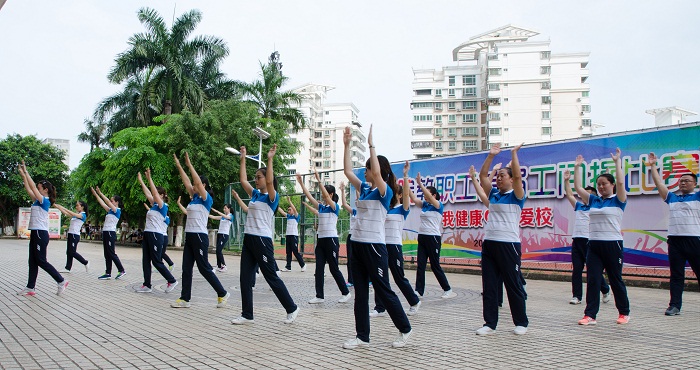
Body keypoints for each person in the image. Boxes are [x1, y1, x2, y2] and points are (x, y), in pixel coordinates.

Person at [342, 125, 412, 349]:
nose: (364, 171)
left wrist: (372, 145)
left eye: (368, 168)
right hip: (358, 245)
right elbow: (347, 172)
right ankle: (362, 336)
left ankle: (405, 329)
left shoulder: (385, 193)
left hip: (375, 247)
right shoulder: (363, 188)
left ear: (377, 170)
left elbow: (380, 175)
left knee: (383, 290)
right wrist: (346, 145)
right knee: (360, 293)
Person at [230, 144, 299, 325]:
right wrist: (243, 157)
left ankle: (291, 307)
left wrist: (269, 159)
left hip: (262, 240)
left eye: (258, 177)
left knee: (271, 277)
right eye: (256, 178)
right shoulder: (254, 195)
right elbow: (243, 180)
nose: (256, 180)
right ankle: (247, 314)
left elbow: (269, 182)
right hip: (249, 239)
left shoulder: (272, 197)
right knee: (245, 278)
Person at [475, 143, 528, 336]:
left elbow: (519, 176)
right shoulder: (494, 195)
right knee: (489, 286)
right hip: (490, 244)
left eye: (502, 176)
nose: (498, 179)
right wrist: (490, 156)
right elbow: (482, 177)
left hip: (509, 245)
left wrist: (513, 153)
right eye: (497, 177)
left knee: (512, 284)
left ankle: (521, 322)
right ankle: (490, 323)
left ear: (512, 179)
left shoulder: (516, 196)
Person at [574, 148, 631, 325]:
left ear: (611, 185)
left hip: (612, 244)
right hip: (594, 246)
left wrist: (617, 163)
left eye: (604, 183)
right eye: (599, 184)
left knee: (615, 279)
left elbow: (621, 184)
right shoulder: (594, 200)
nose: (601, 186)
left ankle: (624, 312)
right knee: (593, 280)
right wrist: (577, 168)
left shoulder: (618, 199)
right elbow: (577, 188)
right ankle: (590, 315)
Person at [170, 152, 229, 308]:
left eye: (197, 185)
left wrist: (189, 165)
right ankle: (185, 299)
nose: (194, 187)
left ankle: (222, 293)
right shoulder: (194, 198)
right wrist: (179, 165)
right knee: (186, 269)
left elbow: (194, 180)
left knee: (204, 268)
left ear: (203, 186)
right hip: (190, 237)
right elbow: (187, 181)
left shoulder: (206, 199)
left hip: (199, 237)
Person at [646, 152, 700, 316]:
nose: (683, 183)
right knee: (676, 275)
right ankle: (674, 306)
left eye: (687, 181)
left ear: (695, 183)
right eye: (681, 181)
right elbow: (659, 184)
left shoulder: (698, 196)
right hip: (675, 241)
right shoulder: (673, 198)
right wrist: (653, 166)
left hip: (694, 241)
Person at [371, 161, 422, 317]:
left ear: (399, 195)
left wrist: (405, 176)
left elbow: (407, 195)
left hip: (394, 246)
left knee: (399, 277)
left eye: (397, 193)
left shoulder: (402, 210)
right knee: (380, 276)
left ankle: (414, 301)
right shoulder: (387, 208)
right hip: (382, 246)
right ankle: (380, 307)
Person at [297, 171, 351, 304]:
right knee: (319, 269)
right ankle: (319, 295)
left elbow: (326, 196)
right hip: (321, 241)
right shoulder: (321, 208)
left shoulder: (334, 207)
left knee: (334, 268)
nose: (322, 194)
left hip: (331, 240)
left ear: (331, 194)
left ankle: (345, 292)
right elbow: (310, 197)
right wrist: (301, 183)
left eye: (325, 193)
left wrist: (319, 180)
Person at [17, 161, 68, 296]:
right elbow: (29, 189)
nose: (37, 189)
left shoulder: (45, 200)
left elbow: (32, 187)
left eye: (40, 188)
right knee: (32, 261)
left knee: (41, 260)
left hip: (40, 233)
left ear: (45, 190)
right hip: (35, 233)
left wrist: (27, 172)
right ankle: (30, 287)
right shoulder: (37, 200)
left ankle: (61, 281)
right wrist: (23, 176)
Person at [563, 170, 611, 305]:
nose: (584, 196)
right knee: (577, 269)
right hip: (577, 241)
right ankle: (577, 296)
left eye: (588, 194)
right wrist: (567, 181)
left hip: (589, 242)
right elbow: (570, 195)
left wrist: (606, 173)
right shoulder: (579, 206)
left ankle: (605, 289)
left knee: (592, 270)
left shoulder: (596, 207)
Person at [408, 171, 456, 300]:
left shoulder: (438, 205)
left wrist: (420, 184)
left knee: (435, 265)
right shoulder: (425, 205)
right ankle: (419, 291)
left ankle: (448, 289)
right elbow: (413, 198)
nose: (425, 196)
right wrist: (408, 186)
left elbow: (428, 195)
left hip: (433, 238)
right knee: (421, 265)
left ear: (434, 195)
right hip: (422, 236)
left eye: (427, 193)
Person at [135, 169, 178, 294]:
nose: (155, 196)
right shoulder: (153, 205)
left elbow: (153, 193)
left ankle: (172, 280)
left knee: (156, 261)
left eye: (158, 194)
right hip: (148, 234)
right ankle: (147, 284)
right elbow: (149, 193)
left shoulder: (162, 206)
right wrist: (141, 181)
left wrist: (149, 178)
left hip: (156, 235)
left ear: (163, 196)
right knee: (145, 261)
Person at [91, 186, 126, 280]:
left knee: (111, 253)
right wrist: (96, 194)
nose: (111, 202)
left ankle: (121, 270)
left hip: (111, 233)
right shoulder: (110, 210)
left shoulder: (117, 210)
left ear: (117, 202)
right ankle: (108, 273)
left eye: (112, 201)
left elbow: (107, 202)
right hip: (106, 232)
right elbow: (102, 202)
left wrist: (101, 193)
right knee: (107, 254)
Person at [54, 201, 90, 273]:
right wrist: (56, 206)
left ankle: (85, 262)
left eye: (77, 205)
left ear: (82, 207)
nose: (76, 207)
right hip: (70, 234)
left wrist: (64, 208)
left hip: (75, 235)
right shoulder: (76, 215)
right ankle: (67, 268)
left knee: (72, 252)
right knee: (69, 252)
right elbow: (66, 213)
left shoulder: (83, 215)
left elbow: (72, 213)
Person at [277, 196, 306, 272]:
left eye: (290, 209)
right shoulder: (288, 216)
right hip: (288, 236)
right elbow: (282, 212)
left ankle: (302, 264)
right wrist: (276, 205)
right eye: (288, 210)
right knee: (288, 252)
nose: (288, 210)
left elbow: (295, 209)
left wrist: (289, 201)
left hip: (294, 236)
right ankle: (288, 267)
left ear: (293, 210)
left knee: (295, 251)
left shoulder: (296, 216)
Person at [339, 182, 356, 287]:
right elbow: (345, 204)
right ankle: (351, 280)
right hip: (352, 236)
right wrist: (342, 191)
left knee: (363, 260)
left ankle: (368, 280)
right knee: (350, 259)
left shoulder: (367, 212)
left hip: (361, 238)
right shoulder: (354, 211)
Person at [208, 205, 234, 272]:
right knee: (217, 250)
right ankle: (219, 266)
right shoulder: (222, 217)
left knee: (219, 250)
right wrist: (206, 214)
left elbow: (226, 217)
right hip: (219, 234)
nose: (224, 209)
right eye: (224, 208)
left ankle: (224, 265)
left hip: (224, 235)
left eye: (225, 208)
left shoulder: (230, 216)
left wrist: (216, 211)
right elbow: (213, 217)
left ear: (229, 209)